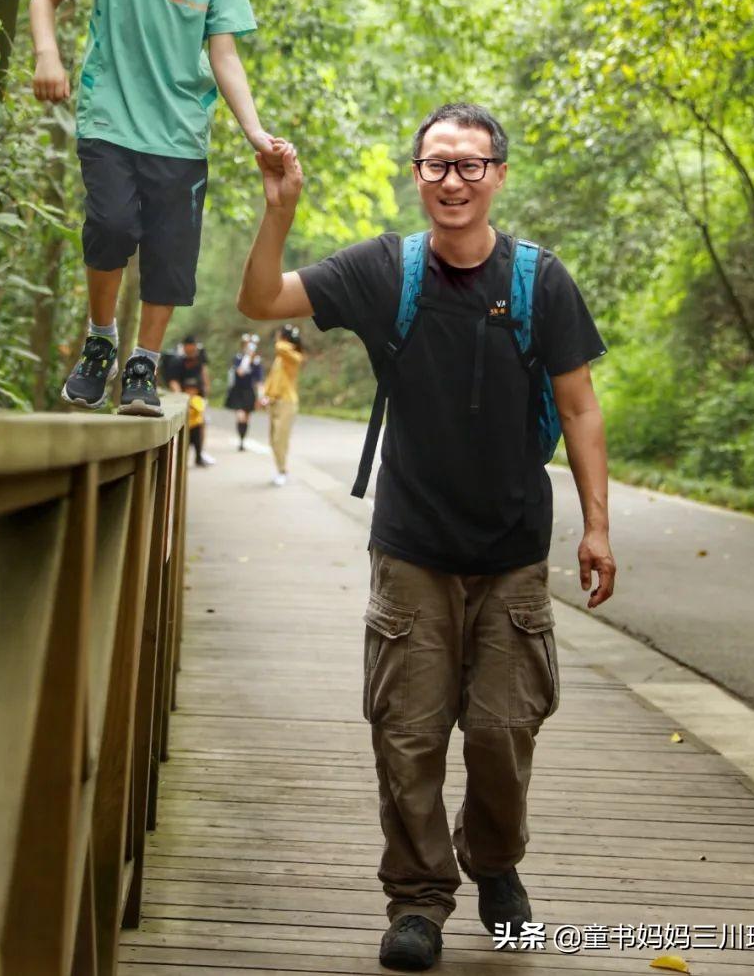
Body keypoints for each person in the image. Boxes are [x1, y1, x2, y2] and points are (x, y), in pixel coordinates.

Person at [236, 102, 615, 972]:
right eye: (438, 165)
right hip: (411, 547)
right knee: (406, 734)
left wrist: (597, 527)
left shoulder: (539, 282)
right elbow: (260, 299)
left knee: (502, 732)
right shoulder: (384, 272)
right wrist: (279, 210)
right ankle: (417, 899)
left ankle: (494, 860)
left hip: (514, 551)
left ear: (498, 177)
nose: (454, 180)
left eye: (471, 165)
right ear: (417, 176)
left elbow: (580, 405)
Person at [30, 0, 281, 416]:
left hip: (181, 136)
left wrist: (254, 132)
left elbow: (223, 56)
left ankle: (142, 365)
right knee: (113, 225)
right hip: (111, 121)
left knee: (169, 260)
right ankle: (100, 342)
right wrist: (48, 57)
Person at [261, 323, 305, 486]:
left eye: (279, 335)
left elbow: (280, 347)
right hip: (274, 402)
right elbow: (273, 379)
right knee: (273, 440)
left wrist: (285, 337)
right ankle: (280, 469)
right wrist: (266, 395)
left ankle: (282, 471)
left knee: (281, 439)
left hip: (287, 403)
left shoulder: (293, 356)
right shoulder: (280, 359)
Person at [225, 331, 264, 449]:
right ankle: (240, 440)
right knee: (240, 415)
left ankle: (242, 440)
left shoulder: (256, 363)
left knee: (246, 417)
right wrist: (247, 359)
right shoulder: (238, 358)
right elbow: (240, 372)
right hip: (238, 390)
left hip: (248, 391)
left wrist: (261, 396)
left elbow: (259, 380)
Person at [185, 391, 213, 468]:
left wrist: (191, 404)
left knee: (198, 444)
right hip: (188, 426)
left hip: (196, 425)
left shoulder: (197, 399)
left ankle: (198, 458)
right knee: (186, 445)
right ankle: (184, 461)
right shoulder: (186, 399)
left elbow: (200, 409)